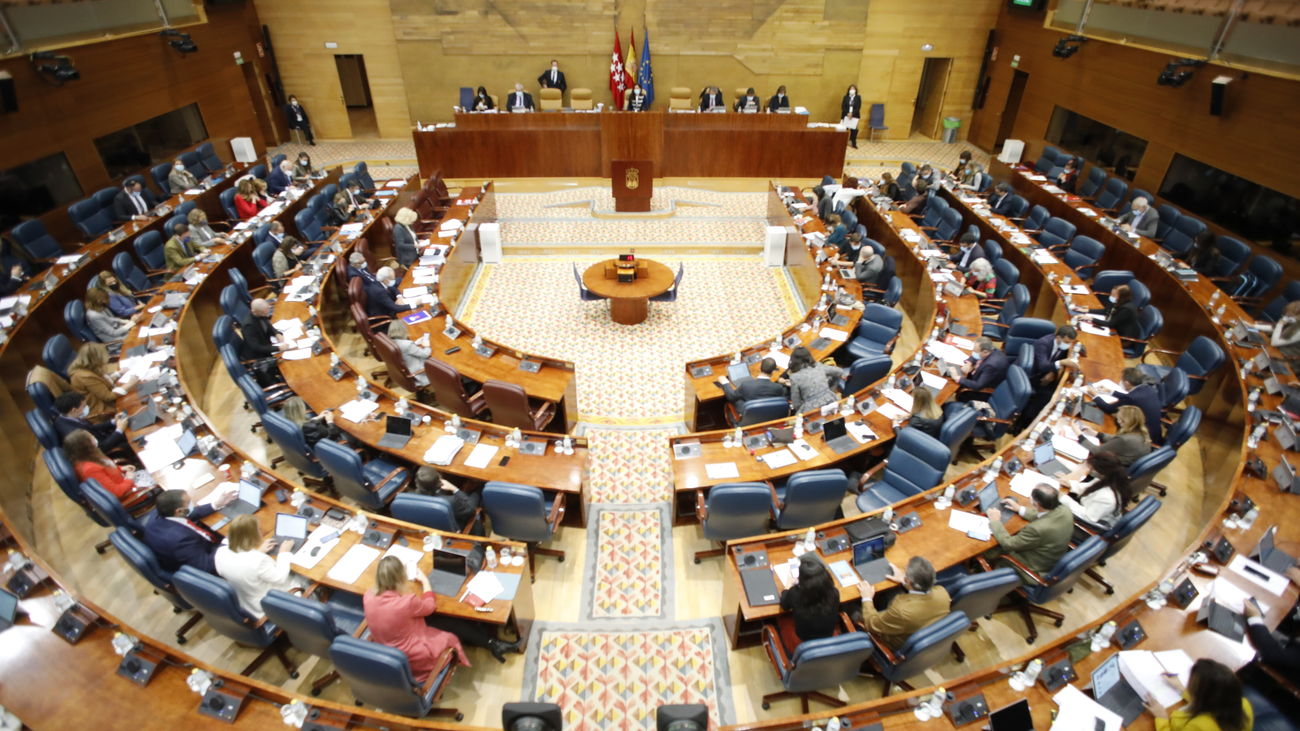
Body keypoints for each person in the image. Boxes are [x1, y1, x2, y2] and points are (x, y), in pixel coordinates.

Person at [363, 556, 519, 676]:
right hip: (415, 654)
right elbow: (430, 606)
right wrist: (425, 581)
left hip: (388, 648)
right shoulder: (406, 603)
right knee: (452, 622)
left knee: (448, 620)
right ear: (399, 578)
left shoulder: (368, 596)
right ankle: (493, 644)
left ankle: (491, 643)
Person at [214, 515, 299, 619]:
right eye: (258, 529)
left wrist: (258, 551)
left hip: (249, 604)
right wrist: (283, 552)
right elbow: (280, 578)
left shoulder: (220, 553)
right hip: (274, 604)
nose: (261, 531)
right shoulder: (257, 560)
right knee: (304, 577)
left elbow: (243, 565)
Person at [856, 557, 951, 650]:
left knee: (850, 608)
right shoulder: (943, 593)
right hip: (917, 629)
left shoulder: (901, 611)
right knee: (891, 593)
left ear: (908, 581)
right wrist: (902, 580)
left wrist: (867, 598)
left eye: (904, 573)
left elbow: (871, 623)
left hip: (892, 642)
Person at [986, 485, 1075, 582]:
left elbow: (1009, 544)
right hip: (1050, 558)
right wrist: (1019, 509)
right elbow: (1044, 516)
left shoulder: (1036, 529)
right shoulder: (1064, 510)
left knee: (988, 551)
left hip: (1031, 569)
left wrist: (995, 521)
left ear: (1036, 504)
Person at [143, 488, 235, 575]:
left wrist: (216, 504)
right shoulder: (180, 540)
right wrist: (228, 541)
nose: (192, 504)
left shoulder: (161, 512)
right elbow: (206, 566)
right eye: (189, 503)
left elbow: (189, 513)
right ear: (178, 511)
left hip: (196, 545)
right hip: (207, 556)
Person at [1145, 658, 1252, 731]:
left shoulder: (1200, 726)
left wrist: (1162, 718)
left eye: (1192, 684)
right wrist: (1181, 688)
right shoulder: (1244, 704)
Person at [64, 428, 146, 505]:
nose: (94, 438)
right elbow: (116, 493)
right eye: (91, 437)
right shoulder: (90, 470)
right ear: (86, 446)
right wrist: (129, 479)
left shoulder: (90, 455)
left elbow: (106, 469)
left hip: (127, 482)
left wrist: (121, 468)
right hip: (133, 495)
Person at [777, 554, 841, 646]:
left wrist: (787, 587)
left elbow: (784, 604)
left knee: (781, 618)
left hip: (803, 640)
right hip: (828, 636)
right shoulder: (834, 593)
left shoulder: (795, 594)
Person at [1058, 451, 1133, 526]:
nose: (1090, 471)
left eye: (1092, 469)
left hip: (1088, 522)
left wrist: (1063, 498)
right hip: (1086, 508)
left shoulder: (1107, 499)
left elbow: (1088, 517)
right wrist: (1070, 484)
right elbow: (1089, 488)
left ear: (1101, 472)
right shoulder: (1111, 480)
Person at [1093, 367, 1164, 445]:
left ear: (1127, 383)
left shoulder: (1132, 398)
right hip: (1155, 432)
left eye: (1122, 380)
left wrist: (1095, 396)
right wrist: (1111, 392)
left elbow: (1109, 409)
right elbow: (1130, 396)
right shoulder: (1147, 388)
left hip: (1143, 438)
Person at [53, 392, 129, 455]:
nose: (86, 407)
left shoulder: (64, 418)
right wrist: (119, 430)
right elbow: (100, 449)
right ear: (74, 410)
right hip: (107, 449)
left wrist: (113, 422)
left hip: (102, 437)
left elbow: (91, 428)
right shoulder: (74, 433)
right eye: (83, 406)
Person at [412, 467, 482, 534]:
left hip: (428, 527)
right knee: (477, 492)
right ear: (440, 481)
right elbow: (470, 509)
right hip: (453, 531)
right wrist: (455, 489)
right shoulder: (450, 502)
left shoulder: (410, 497)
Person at [1082, 404, 1152, 467]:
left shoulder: (1124, 440)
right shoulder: (1142, 431)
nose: (1117, 420)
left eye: (1118, 418)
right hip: (1127, 463)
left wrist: (1079, 435)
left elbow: (1097, 451)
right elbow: (1115, 440)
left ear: (1123, 421)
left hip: (1115, 468)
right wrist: (1097, 434)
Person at [68, 342, 125, 417]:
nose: (106, 359)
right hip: (103, 409)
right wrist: (130, 384)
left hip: (106, 400)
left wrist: (118, 374)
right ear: (95, 361)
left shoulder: (86, 367)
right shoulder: (85, 377)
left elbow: (101, 382)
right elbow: (108, 396)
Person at [788, 345, 844, 414]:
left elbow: (796, 403)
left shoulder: (794, 377)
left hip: (811, 409)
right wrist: (831, 389)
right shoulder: (819, 366)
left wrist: (802, 408)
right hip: (831, 400)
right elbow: (840, 372)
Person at [721, 357, 787, 410]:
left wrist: (725, 383)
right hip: (769, 414)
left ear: (760, 368)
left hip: (751, 415)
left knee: (737, 400)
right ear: (773, 371)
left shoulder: (746, 385)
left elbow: (731, 397)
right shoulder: (778, 387)